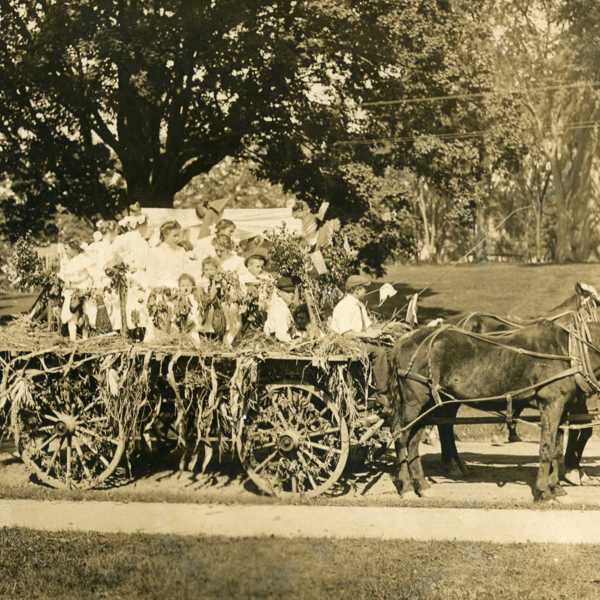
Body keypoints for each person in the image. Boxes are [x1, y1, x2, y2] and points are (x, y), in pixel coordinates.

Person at [329, 274, 391, 414]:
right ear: (356, 290)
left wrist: (380, 331)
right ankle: (382, 395)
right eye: (364, 289)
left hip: (359, 341)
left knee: (387, 349)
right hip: (345, 344)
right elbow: (346, 334)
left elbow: (367, 327)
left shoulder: (359, 305)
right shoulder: (344, 306)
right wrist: (368, 335)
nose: (367, 292)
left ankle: (378, 388)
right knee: (378, 352)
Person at [58, 240, 97, 341]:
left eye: (67, 249)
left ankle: (85, 338)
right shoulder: (68, 261)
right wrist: (67, 284)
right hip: (72, 291)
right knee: (71, 314)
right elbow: (65, 277)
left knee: (86, 314)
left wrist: (91, 287)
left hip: (84, 290)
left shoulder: (84, 259)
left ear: (74, 249)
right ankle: (73, 339)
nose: (66, 252)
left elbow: (93, 274)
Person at [264, 276, 297, 343]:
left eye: (293, 291)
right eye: (288, 292)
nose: (292, 294)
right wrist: (296, 342)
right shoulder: (280, 309)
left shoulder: (281, 304)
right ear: (279, 292)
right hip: (276, 344)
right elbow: (281, 336)